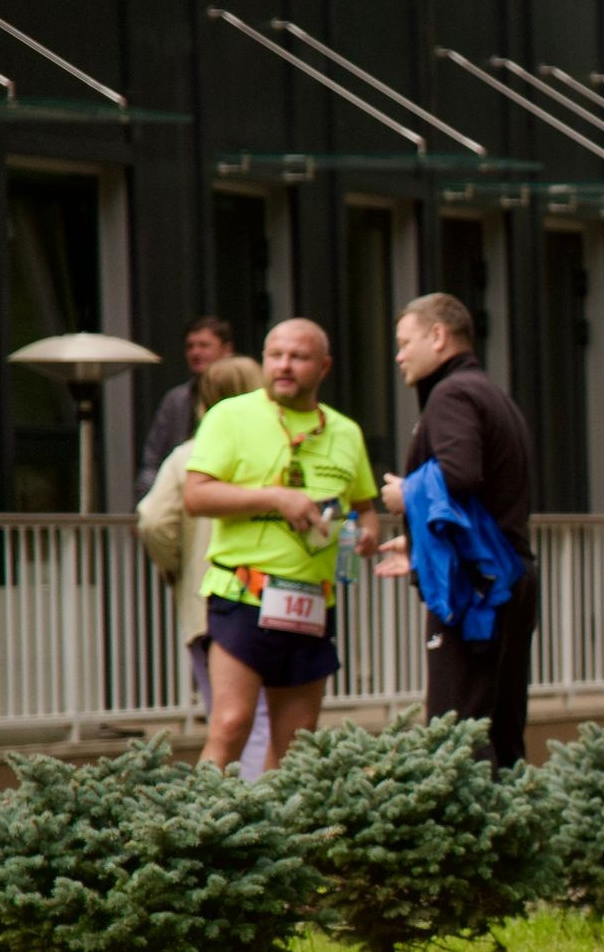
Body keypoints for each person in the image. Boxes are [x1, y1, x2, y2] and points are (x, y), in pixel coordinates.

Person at [181, 319, 380, 772]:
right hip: (242, 594)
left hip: (311, 600)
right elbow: (196, 497)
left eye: (299, 357)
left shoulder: (345, 432)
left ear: (324, 366)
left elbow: (365, 507)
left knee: (296, 744)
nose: (284, 366)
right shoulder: (229, 416)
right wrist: (275, 497)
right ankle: (194, 833)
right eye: (276, 356)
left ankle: (278, 839)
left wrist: (367, 533)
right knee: (231, 724)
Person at [376, 293, 539, 769]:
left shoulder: (453, 394)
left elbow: (460, 473)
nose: (399, 355)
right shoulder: (489, 392)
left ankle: (470, 843)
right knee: (502, 728)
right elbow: (485, 498)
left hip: (478, 590)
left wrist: (405, 494)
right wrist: (421, 542)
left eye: (406, 342)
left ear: (439, 336)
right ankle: (513, 833)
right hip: (506, 576)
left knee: (458, 731)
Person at [136, 353, 272, 776]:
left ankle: (228, 814)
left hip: (206, 602)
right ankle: (262, 805)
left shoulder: (187, 456)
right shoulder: (279, 449)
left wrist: (173, 566)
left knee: (226, 716)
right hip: (278, 597)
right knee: (267, 714)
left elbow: (154, 520)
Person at [135, 317, 234, 502]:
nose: (195, 352)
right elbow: (153, 459)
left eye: (204, 345)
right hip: (180, 495)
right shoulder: (177, 400)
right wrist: (144, 503)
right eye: (190, 346)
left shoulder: (241, 395)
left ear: (226, 349)